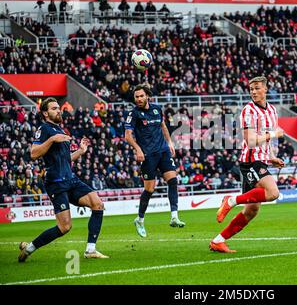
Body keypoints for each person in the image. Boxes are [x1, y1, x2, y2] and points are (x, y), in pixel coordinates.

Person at [18, 98, 108, 262]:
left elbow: (66, 159)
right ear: (45, 113)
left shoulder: (60, 129)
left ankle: (90, 249)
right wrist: (52, 139)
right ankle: (29, 247)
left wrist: (80, 151)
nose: (59, 110)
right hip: (56, 182)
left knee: (98, 204)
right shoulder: (44, 129)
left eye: (58, 108)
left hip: (71, 179)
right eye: (54, 108)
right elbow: (33, 153)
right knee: (65, 227)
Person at [209, 76, 285, 253]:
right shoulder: (248, 111)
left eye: (257, 88)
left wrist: (271, 156)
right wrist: (273, 135)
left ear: (266, 89)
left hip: (261, 160)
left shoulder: (272, 110)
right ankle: (231, 200)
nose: (253, 92)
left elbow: (266, 137)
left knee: (251, 211)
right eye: (251, 89)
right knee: (273, 192)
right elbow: (251, 141)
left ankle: (217, 241)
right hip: (250, 161)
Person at [125, 84, 185, 238]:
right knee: (150, 189)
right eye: (136, 97)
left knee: (172, 181)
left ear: (147, 96)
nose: (138, 99)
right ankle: (140, 219)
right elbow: (127, 136)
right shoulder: (134, 114)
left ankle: (174, 216)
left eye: (141, 96)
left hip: (163, 151)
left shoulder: (157, 109)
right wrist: (138, 149)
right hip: (148, 156)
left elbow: (163, 125)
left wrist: (170, 142)